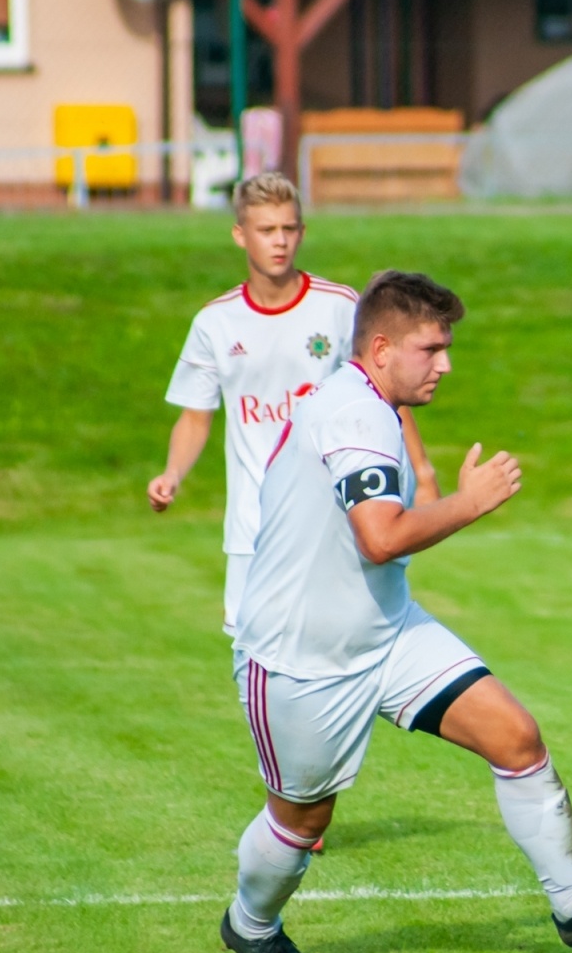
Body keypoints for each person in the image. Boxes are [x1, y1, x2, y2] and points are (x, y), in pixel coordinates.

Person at [220, 270, 572, 953]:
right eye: (431, 349)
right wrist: (470, 502)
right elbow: (381, 538)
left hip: (387, 630)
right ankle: (250, 925)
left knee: (516, 737)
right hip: (299, 656)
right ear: (380, 349)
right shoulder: (353, 414)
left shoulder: (373, 406)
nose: (445, 364)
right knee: (303, 818)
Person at [149, 171, 437, 639]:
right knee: (254, 654)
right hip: (253, 526)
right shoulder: (215, 323)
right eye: (267, 230)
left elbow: (385, 395)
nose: (279, 241)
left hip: (331, 521)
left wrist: (422, 474)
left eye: (288, 228)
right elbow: (196, 417)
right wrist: (172, 474)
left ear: (302, 231)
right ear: (240, 235)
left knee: (347, 646)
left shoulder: (340, 307)